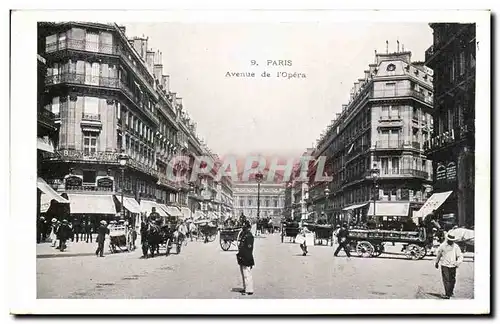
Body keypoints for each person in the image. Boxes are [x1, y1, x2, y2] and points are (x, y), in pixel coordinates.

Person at [434, 233, 464, 299]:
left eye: (452, 240)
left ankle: (451, 292)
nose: (451, 241)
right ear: (447, 239)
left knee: (452, 280)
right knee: (446, 280)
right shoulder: (442, 246)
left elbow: (460, 256)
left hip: (453, 265)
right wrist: (436, 262)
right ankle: (447, 294)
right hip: (444, 265)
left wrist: (458, 262)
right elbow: (439, 255)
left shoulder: (456, 247)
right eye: (450, 240)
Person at [237, 220, 254, 296]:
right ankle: (245, 288)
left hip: (246, 258)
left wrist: (245, 257)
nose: (244, 228)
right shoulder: (244, 234)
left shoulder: (249, 236)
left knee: (247, 274)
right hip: (242, 256)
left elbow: (249, 248)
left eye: (245, 227)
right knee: (244, 274)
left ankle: (249, 290)